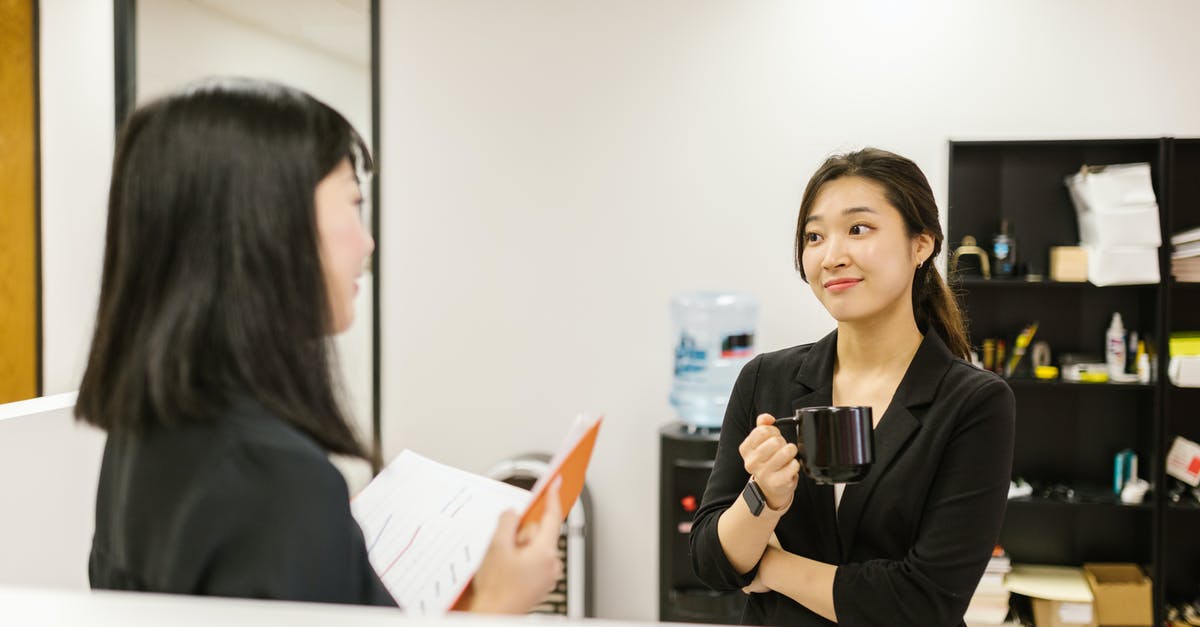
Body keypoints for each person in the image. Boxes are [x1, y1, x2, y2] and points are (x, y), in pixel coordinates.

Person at [76, 78, 561, 613]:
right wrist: (498, 604)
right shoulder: (275, 481)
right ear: (270, 227)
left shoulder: (146, 430)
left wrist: (324, 543)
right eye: (353, 203)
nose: (368, 242)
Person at [689, 148, 1015, 626]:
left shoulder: (974, 403)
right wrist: (764, 497)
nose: (832, 256)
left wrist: (774, 566)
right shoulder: (766, 378)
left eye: (858, 229)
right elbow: (710, 561)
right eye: (815, 236)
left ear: (920, 244)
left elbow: (924, 602)